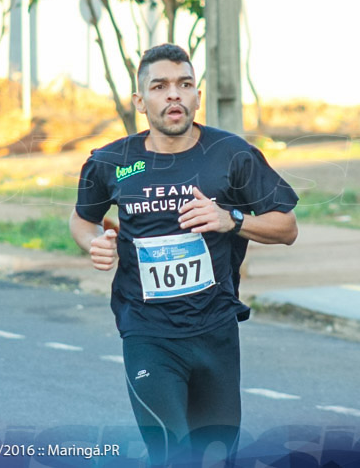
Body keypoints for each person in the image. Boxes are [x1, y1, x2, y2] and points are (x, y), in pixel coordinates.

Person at [69, 43, 298, 465]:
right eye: (160, 86)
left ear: (196, 95)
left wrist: (232, 219)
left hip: (215, 329)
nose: (173, 94)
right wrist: (94, 243)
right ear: (140, 101)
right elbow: (82, 219)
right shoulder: (110, 161)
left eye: (184, 84)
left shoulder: (232, 154)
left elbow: (286, 227)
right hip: (147, 332)